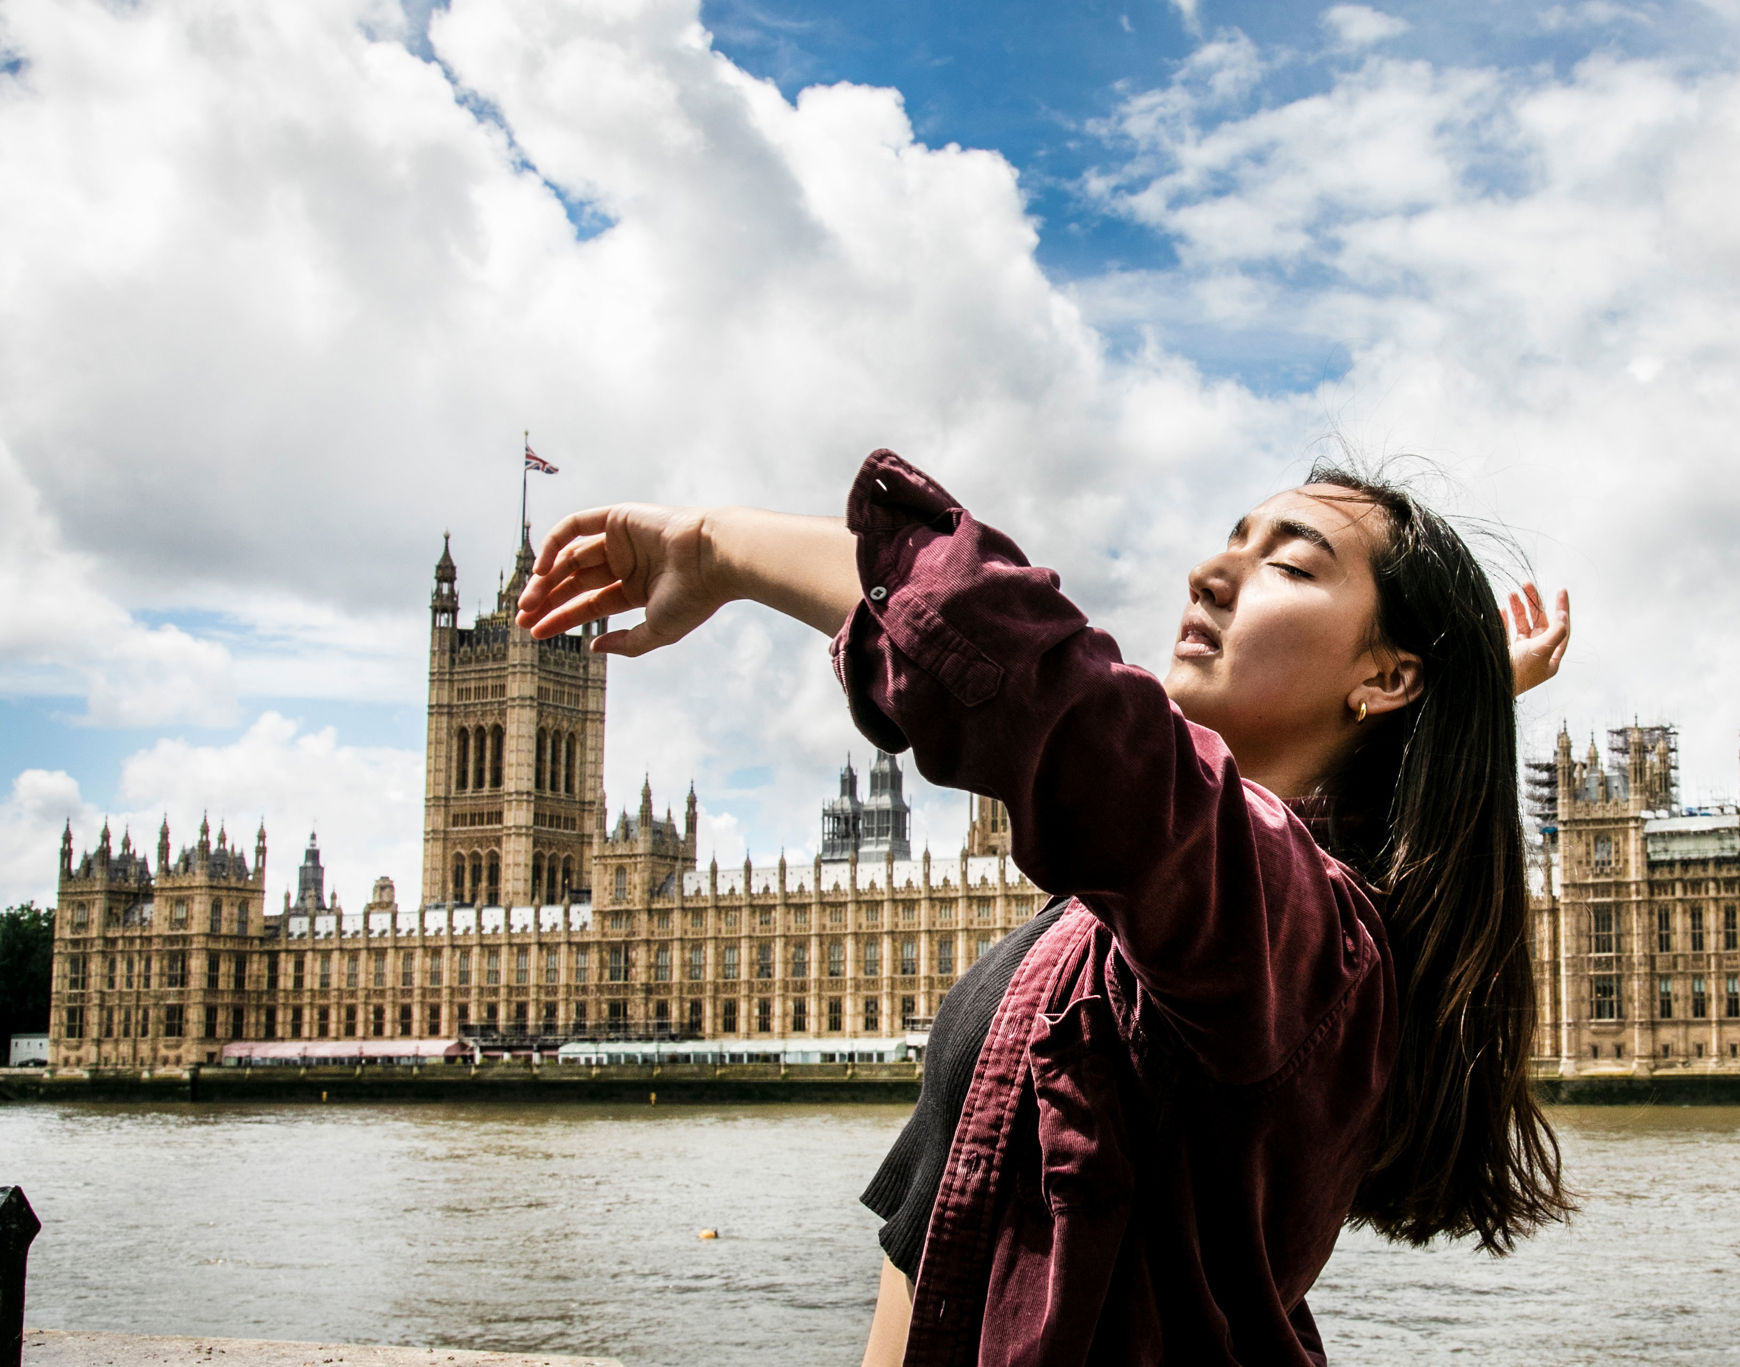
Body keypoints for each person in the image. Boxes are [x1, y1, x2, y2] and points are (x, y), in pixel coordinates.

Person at [516, 449, 1574, 1366]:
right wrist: (1459, 700)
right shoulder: (1182, 908)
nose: (1209, 572)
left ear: (1388, 678)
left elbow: (1043, 694)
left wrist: (717, 545)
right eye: (1231, 541)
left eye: (1290, 564)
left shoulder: (1296, 939)